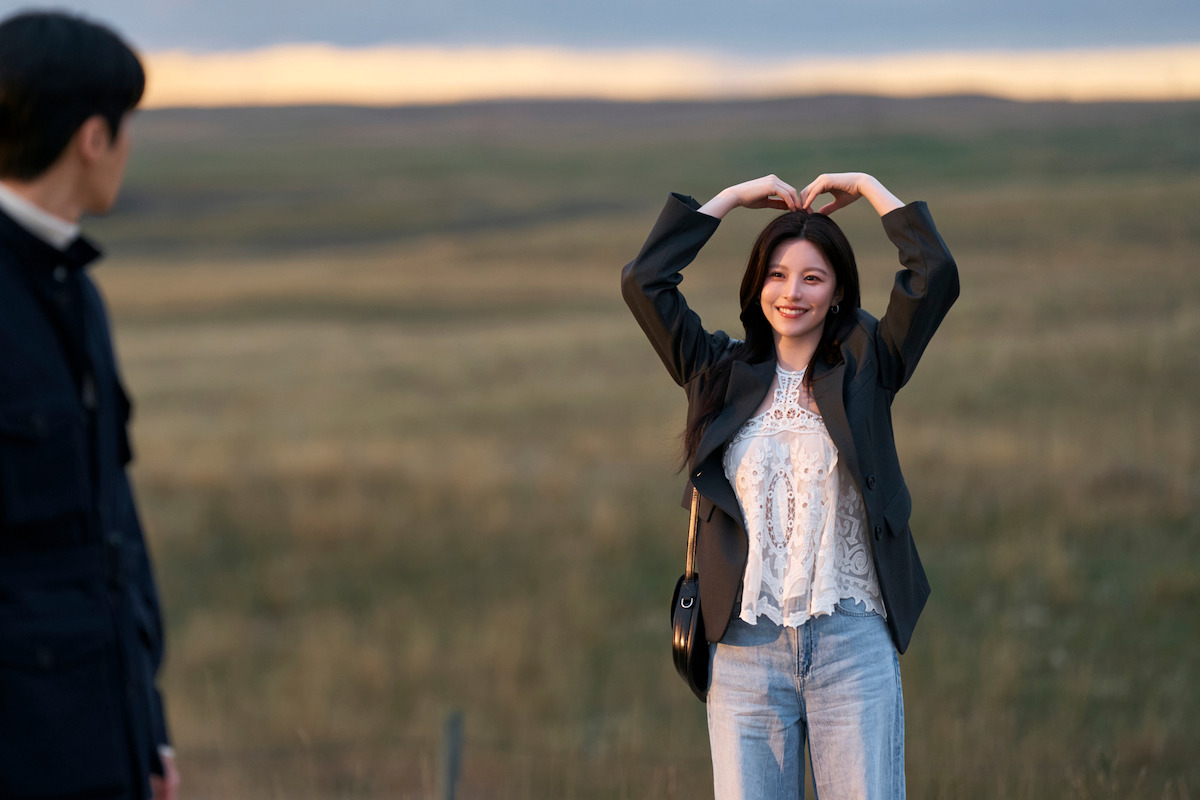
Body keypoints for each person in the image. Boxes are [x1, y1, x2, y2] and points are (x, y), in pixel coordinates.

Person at [622, 172, 958, 799]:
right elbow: (645, 281)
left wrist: (868, 187)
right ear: (757, 285)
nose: (792, 293)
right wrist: (730, 200)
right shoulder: (717, 370)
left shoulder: (868, 363)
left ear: (838, 291)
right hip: (744, 651)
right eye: (777, 275)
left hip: (852, 646)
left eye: (812, 277)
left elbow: (934, 273)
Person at [0, 10, 179, 800]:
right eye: (125, 125)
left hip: (102, 742)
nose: (130, 147)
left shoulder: (78, 295)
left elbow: (113, 541)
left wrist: (149, 734)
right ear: (92, 139)